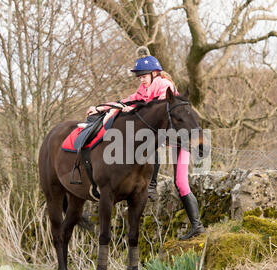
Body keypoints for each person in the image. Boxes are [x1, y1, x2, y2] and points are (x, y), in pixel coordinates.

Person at [87, 47, 205, 240]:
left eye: (143, 76)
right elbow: (128, 101)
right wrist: (101, 108)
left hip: (179, 140)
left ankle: (196, 225)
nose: (141, 79)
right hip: (166, 139)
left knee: (181, 183)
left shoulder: (164, 86)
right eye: (139, 77)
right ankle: (152, 187)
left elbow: (155, 112)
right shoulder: (145, 88)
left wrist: (131, 109)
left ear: (154, 73)